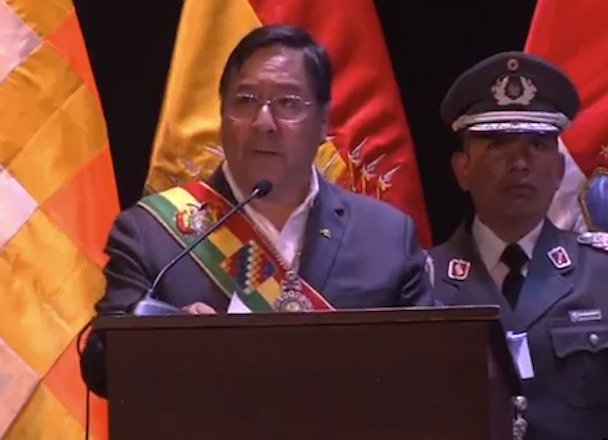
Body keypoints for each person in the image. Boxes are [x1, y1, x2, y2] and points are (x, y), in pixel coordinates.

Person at [80, 24, 434, 397]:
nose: (264, 122)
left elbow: (433, 365)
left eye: (288, 103)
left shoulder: (385, 236)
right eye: (246, 101)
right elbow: (102, 370)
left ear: (323, 123)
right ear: (222, 114)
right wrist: (166, 343)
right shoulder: (153, 233)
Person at [428, 51, 608, 440]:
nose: (520, 162)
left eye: (538, 145)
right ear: (462, 169)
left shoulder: (601, 274)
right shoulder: (421, 281)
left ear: (559, 170)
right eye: (497, 144)